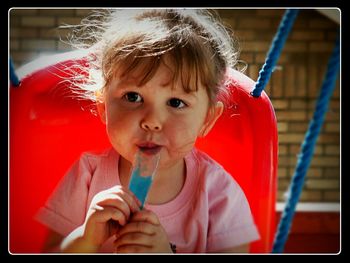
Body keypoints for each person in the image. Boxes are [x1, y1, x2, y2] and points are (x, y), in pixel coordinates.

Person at [36, 8, 260, 253]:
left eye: (176, 103)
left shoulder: (219, 195)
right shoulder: (88, 176)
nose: (152, 121)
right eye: (133, 97)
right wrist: (85, 240)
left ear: (207, 119)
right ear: (103, 107)